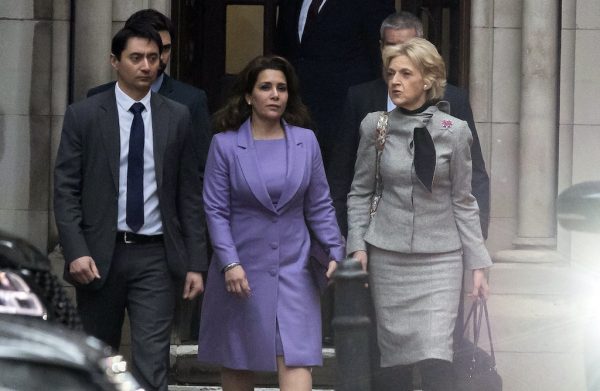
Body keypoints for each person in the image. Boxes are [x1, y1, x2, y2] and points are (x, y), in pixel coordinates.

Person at [54, 24, 205, 391]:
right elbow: (65, 190)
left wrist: (196, 263)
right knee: (98, 362)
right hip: (98, 256)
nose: (146, 66)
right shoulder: (85, 115)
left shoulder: (177, 116)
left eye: (153, 58)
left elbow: (188, 194)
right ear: (114, 62)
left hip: (155, 255)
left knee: (153, 364)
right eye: (136, 58)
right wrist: (75, 251)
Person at [346, 38, 492, 391]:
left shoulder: (454, 132)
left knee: (436, 355)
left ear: (428, 80)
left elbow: (464, 200)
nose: (395, 80)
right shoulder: (374, 126)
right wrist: (357, 246)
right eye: (391, 73)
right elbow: (360, 191)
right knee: (393, 360)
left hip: (441, 259)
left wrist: (478, 263)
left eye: (405, 73)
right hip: (388, 256)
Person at [197, 55, 345, 390]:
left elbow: (320, 205)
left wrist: (336, 251)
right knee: (238, 361)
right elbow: (216, 210)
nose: (275, 94)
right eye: (265, 87)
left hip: (296, 269)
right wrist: (229, 263)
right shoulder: (225, 145)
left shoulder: (305, 142)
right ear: (249, 95)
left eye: (281, 88)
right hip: (241, 271)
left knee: (297, 357)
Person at [329, 11, 490, 239]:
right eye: (390, 46)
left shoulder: (453, 100)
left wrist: (477, 239)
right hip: (376, 235)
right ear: (380, 47)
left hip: (439, 238)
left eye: (406, 46)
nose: (398, 53)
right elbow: (342, 176)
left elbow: (474, 175)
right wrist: (344, 238)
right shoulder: (359, 99)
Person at [274, 0, 395, 168]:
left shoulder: (369, 4)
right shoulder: (290, 4)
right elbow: (283, 52)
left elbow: (378, 57)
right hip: (296, 113)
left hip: (344, 118)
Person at [88, 9, 212, 167]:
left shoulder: (190, 101)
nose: (159, 57)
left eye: (165, 49)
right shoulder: (96, 99)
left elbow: (201, 167)